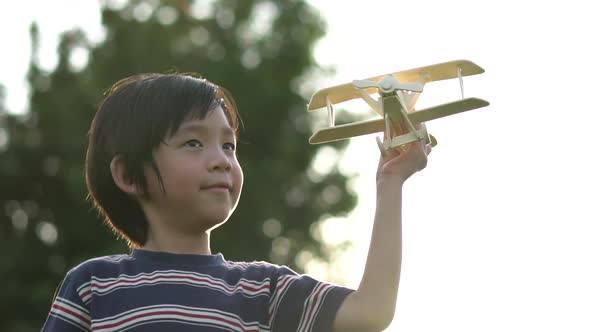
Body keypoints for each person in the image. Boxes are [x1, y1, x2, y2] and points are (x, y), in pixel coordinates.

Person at [41, 73, 430, 332]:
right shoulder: (95, 285)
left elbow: (371, 313)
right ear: (128, 175)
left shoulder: (264, 289)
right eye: (193, 143)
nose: (221, 159)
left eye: (229, 145)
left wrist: (390, 183)